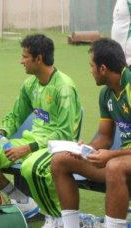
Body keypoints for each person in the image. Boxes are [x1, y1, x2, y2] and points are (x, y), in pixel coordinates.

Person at [0, 34, 82, 222]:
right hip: (30, 144)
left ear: (39, 58)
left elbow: (64, 133)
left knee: (29, 166)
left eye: (25, 56)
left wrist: (28, 148)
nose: (21, 61)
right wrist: (2, 131)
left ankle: (57, 218)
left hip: (57, 147)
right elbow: (15, 116)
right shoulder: (30, 84)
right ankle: (21, 201)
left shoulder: (64, 88)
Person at [52, 38, 131, 228]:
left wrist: (111, 155)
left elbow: (112, 156)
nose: (90, 70)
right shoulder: (106, 94)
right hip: (124, 159)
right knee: (60, 161)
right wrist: (86, 149)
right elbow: (105, 137)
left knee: (114, 166)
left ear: (103, 69)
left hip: (121, 163)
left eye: (91, 65)